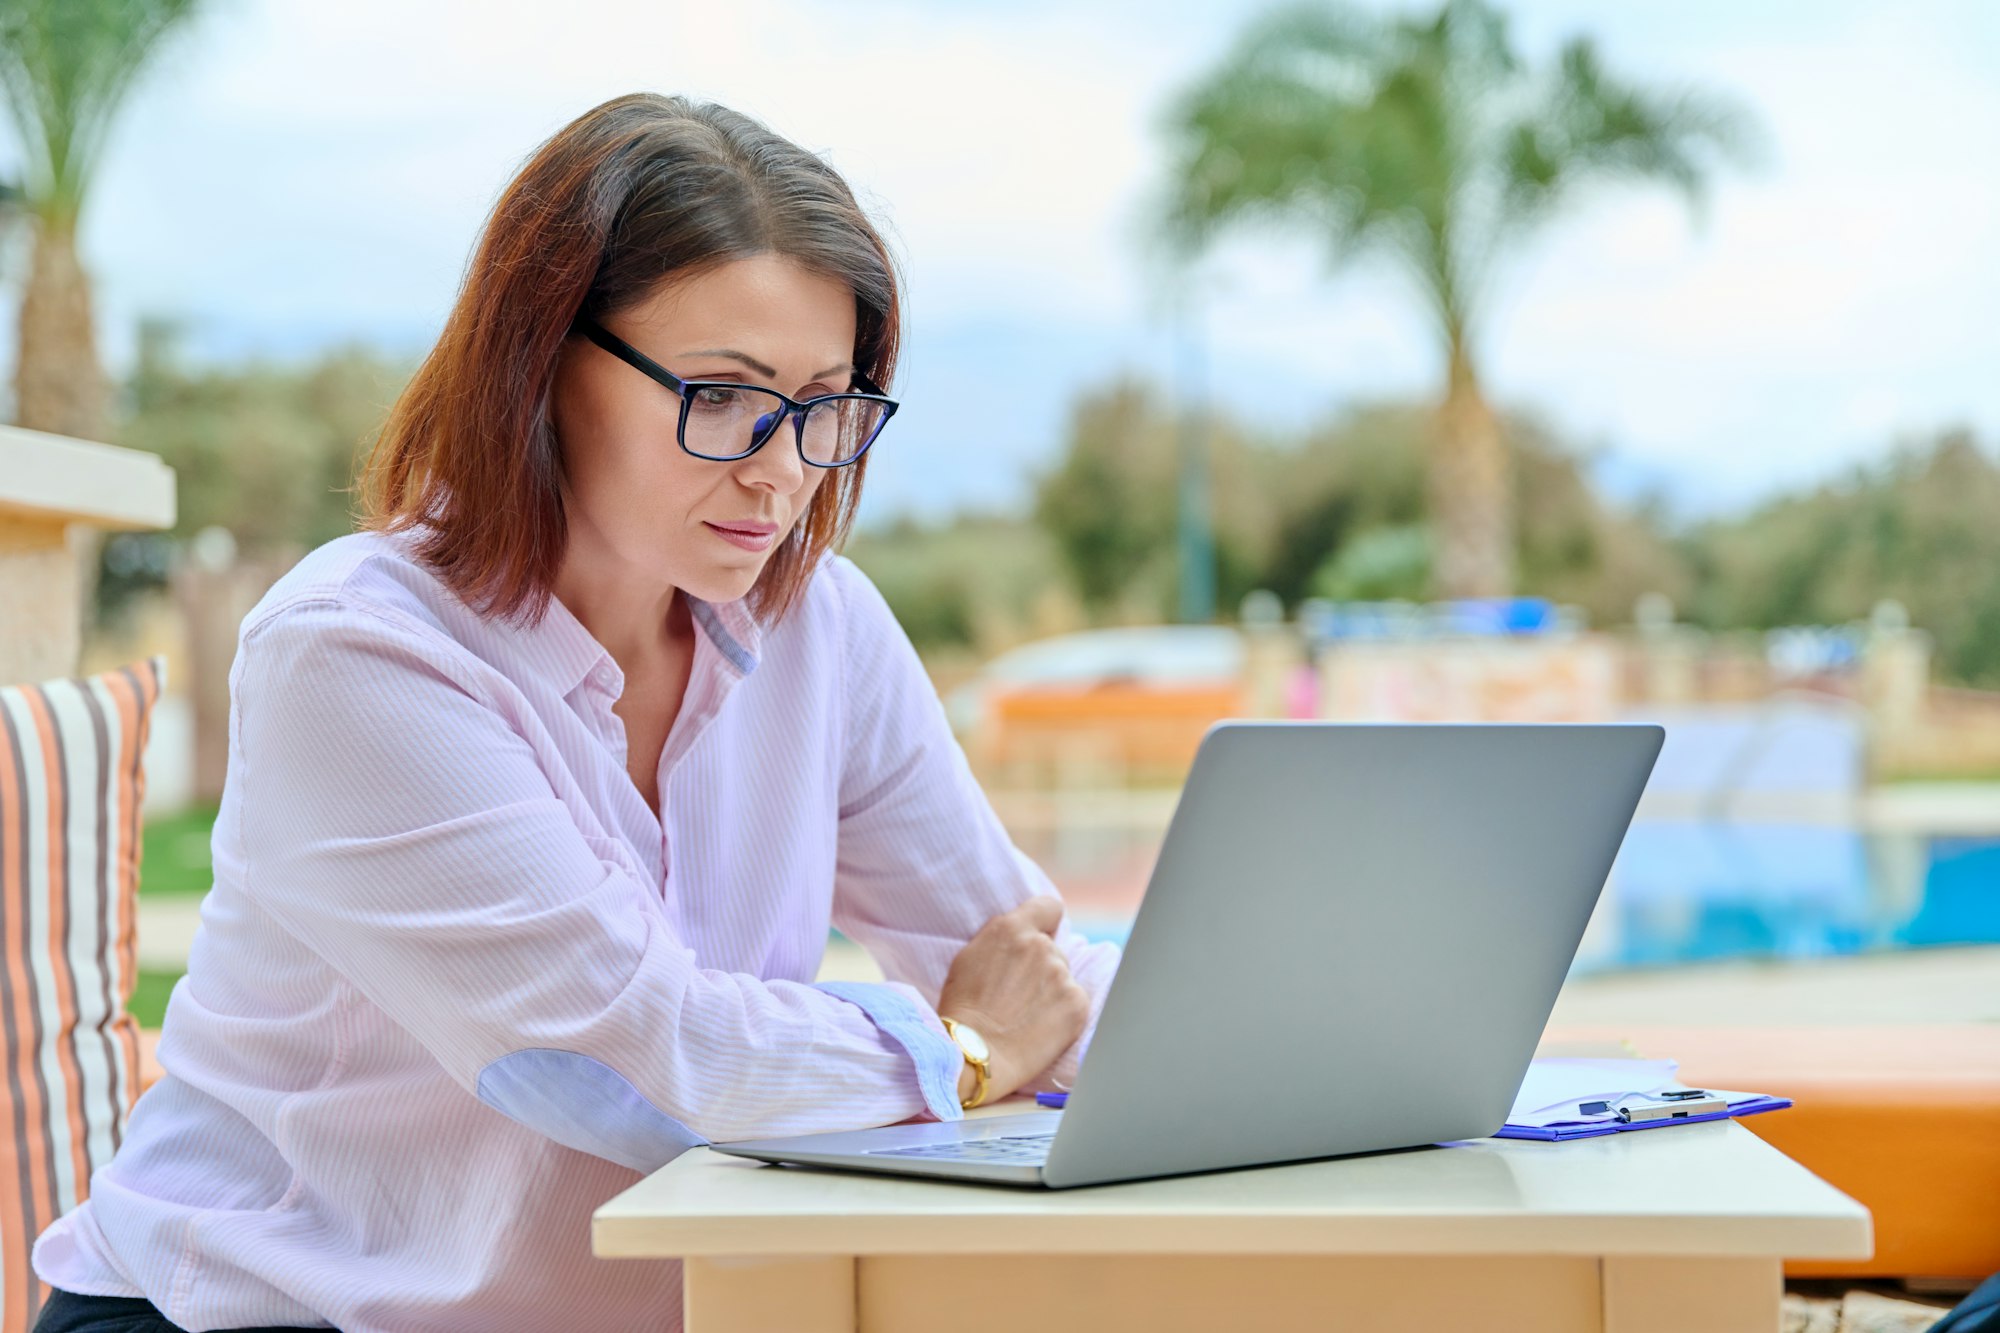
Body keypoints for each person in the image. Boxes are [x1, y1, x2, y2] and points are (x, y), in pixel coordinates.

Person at [30, 93, 1120, 1332]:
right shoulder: (357, 655)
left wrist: (1279, 1053)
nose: (783, 467)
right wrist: (963, 1055)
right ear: (541, 364)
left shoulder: (820, 624)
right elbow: (637, 1060)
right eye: (722, 394)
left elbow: (1015, 959)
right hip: (261, 1315)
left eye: (827, 404)